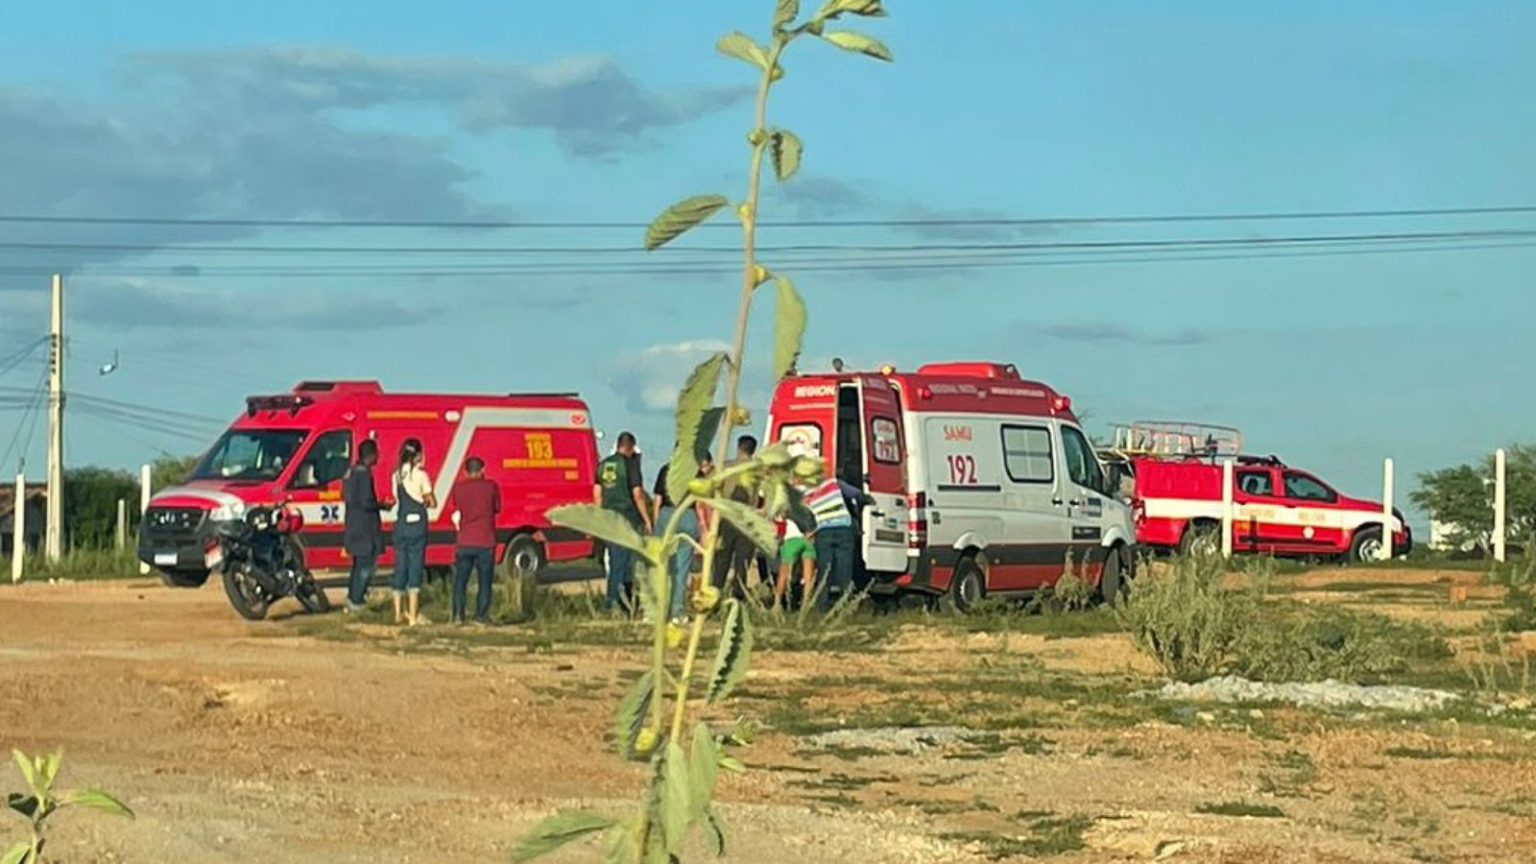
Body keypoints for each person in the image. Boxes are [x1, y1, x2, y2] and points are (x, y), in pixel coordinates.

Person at [653, 451, 713, 622]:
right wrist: (704, 529)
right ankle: (677, 611)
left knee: (661, 565)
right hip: (688, 515)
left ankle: (657, 610)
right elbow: (700, 504)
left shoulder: (666, 469)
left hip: (667, 514)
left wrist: (657, 522)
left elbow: (657, 499)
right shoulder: (696, 473)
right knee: (682, 567)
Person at [594, 431, 649, 613]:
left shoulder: (602, 466)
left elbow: (597, 494)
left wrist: (598, 518)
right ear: (630, 447)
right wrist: (647, 520)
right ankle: (616, 603)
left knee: (615, 560)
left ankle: (619, 602)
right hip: (627, 518)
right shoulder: (630, 465)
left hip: (609, 519)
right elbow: (638, 495)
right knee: (624, 564)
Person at [804, 471, 872, 610]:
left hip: (824, 531)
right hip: (844, 529)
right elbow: (856, 494)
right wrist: (868, 501)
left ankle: (821, 607)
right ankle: (846, 605)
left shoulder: (806, 493)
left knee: (825, 571)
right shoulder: (834, 483)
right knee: (845, 570)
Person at [448, 456, 501, 626]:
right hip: (485, 540)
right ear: (482, 470)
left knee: (461, 580)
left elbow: (457, 507)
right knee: (485, 581)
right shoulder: (491, 486)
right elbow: (497, 508)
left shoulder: (458, 489)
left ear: (465, 471)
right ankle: (482, 615)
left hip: (464, 540)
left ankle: (458, 615)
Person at [713, 435, 767, 595]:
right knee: (742, 562)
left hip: (727, 518)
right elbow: (765, 495)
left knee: (721, 561)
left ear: (739, 447)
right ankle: (737, 597)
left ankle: (715, 595)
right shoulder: (758, 470)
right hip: (748, 519)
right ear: (753, 449)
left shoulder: (725, 467)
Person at [392, 438, 437, 626]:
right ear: (418, 455)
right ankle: (413, 615)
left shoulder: (396, 475)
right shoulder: (421, 475)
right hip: (417, 526)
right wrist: (426, 501)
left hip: (401, 524)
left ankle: (397, 613)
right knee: (415, 568)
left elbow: (396, 497)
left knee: (400, 567)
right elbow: (432, 501)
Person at [342, 439, 389, 612]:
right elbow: (366, 502)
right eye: (376, 453)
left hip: (353, 526)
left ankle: (352, 598)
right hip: (365, 529)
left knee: (357, 565)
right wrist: (383, 505)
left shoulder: (351, 472)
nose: (378, 456)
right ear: (370, 455)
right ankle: (357, 600)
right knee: (365, 566)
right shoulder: (363, 474)